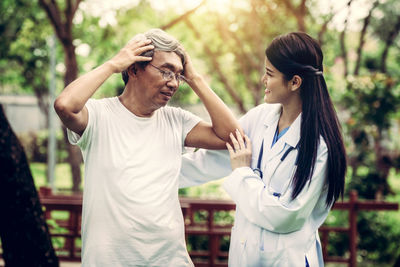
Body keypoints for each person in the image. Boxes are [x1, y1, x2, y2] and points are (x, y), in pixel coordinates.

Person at [54, 28, 241, 266]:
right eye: (166, 71)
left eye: (178, 75)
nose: (173, 83)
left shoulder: (176, 120)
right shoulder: (99, 116)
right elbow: (64, 105)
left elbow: (233, 137)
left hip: (169, 259)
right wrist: (113, 64)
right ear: (133, 69)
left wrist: (195, 79)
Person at [179, 32, 347, 266]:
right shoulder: (260, 118)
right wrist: (148, 171)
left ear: (295, 82)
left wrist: (242, 173)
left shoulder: (320, 145)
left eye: (269, 74)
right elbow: (210, 161)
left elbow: (286, 216)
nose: (262, 80)